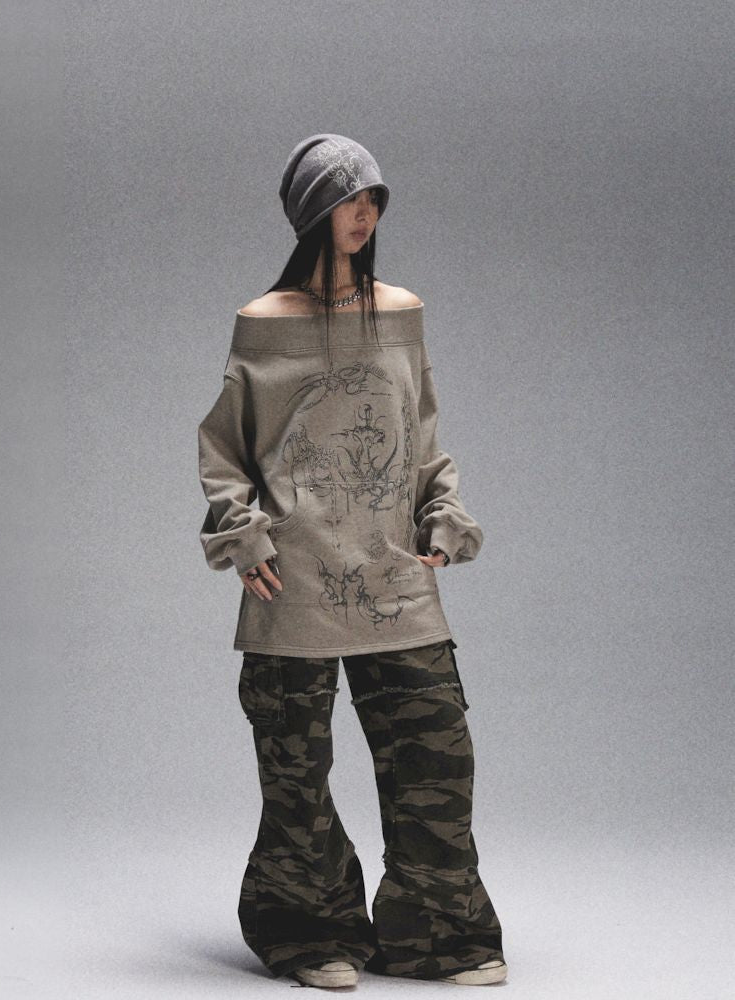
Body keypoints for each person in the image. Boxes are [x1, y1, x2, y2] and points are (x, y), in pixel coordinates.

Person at [197, 133, 507, 988]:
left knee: (437, 754)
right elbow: (225, 449)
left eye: (372, 199)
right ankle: (310, 931)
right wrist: (241, 533)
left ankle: (437, 933)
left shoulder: (401, 311)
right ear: (312, 213)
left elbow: (421, 434)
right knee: (295, 773)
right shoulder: (263, 324)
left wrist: (441, 513)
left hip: (391, 569)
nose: (363, 214)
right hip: (292, 575)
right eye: (346, 200)